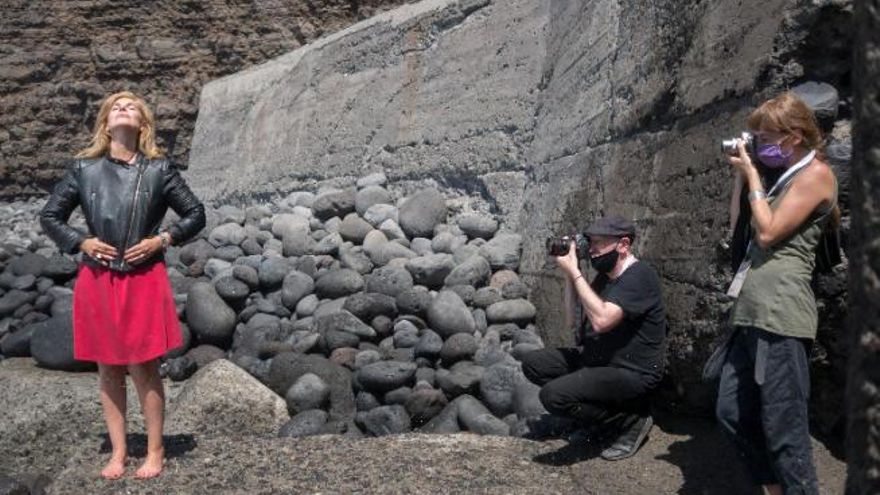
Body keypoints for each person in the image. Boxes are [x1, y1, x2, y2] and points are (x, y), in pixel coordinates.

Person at [40, 91, 205, 480]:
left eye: (131, 105)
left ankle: (154, 450)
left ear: (143, 123)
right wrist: (80, 241)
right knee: (108, 368)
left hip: (143, 277)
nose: (123, 107)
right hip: (97, 276)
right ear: (105, 123)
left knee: (144, 366)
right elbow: (50, 216)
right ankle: (117, 452)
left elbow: (196, 213)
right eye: (116, 105)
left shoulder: (159, 170)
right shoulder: (83, 169)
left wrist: (162, 240)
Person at [716, 92, 837, 495]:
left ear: (795, 136)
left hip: (781, 314)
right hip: (751, 313)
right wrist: (742, 173)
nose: (761, 143)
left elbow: (767, 234)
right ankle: (773, 490)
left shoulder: (816, 175)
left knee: (785, 430)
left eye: (766, 136)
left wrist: (753, 175)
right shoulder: (779, 180)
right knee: (731, 413)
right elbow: (743, 228)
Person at [521, 215, 666, 461]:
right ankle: (599, 416)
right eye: (590, 242)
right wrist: (569, 275)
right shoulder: (605, 277)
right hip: (600, 361)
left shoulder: (640, 276)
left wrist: (576, 273)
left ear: (623, 245)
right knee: (534, 364)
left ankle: (629, 420)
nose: (593, 250)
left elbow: (601, 321)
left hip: (631, 373)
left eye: (599, 243)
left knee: (553, 396)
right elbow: (571, 321)